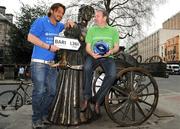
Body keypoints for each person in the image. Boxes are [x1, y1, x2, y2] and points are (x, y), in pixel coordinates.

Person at [27, 3, 74, 129]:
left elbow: (65, 26)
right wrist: (48, 47)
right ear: (52, 11)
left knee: (52, 92)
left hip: (52, 65)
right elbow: (30, 37)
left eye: (62, 13)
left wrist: (69, 21)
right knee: (40, 91)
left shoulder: (58, 26)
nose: (60, 15)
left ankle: (42, 115)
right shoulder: (41, 21)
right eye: (58, 12)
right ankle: (36, 119)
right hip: (38, 63)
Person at [82, 9, 119, 118]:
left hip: (108, 57)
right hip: (93, 56)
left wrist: (110, 51)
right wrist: (92, 54)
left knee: (112, 75)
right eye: (95, 16)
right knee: (87, 68)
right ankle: (87, 98)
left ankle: (98, 100)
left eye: (97, 16)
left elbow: (116, 47)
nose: (95, 18)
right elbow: (87, 47)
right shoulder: (92, 30)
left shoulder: (113, 30)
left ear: (104, 18)